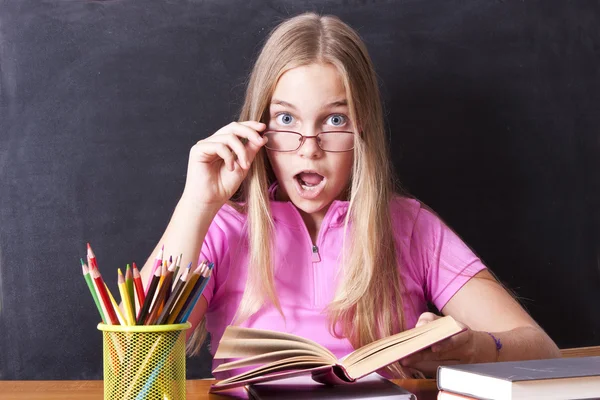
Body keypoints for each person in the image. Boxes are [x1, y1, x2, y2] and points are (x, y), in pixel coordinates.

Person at [139, 12, 560, 378]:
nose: (309, 146)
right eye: (286, 118)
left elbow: (541, 349)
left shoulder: (410, 227)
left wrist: (471, 350)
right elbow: (136, 362)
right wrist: (196, 205)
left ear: (362, 132)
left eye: (334, 119)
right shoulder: (223, 228)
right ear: (259, 129)